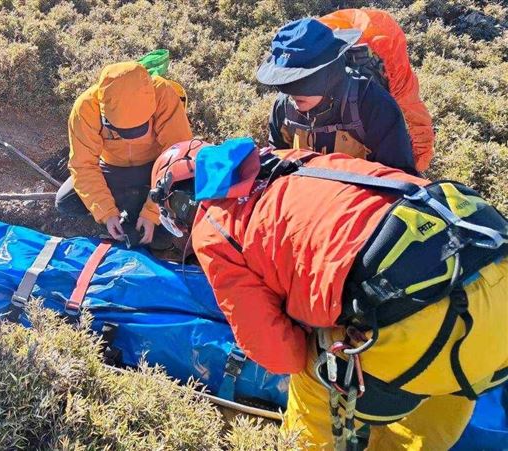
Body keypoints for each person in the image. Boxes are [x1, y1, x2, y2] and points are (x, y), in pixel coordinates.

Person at [149, 139, 508, 449]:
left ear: (180, 204)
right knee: (440, 395)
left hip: (419, 323)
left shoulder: (212, 227)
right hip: (491, 268)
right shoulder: (290, 158)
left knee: (316, 372)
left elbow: (279, 355)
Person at [56, 61, 193, 247]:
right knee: (66, 202)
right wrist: (107, 214)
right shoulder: (85, 108)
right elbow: (83, 166)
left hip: (155, 167)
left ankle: (138, 202)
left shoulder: (164, 94)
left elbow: (177, 159)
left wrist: (152, 213)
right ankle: (128, 206)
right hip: (111, 168)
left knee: (162, 239)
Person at [258, 18, 418, 174]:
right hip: (305, 188)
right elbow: (279, 162)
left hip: (360, 191)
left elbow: (400, 177)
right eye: (286, 81)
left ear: (330, 73)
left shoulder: (373, 105)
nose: (292, 94)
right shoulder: (284, 106)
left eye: (302, 80)